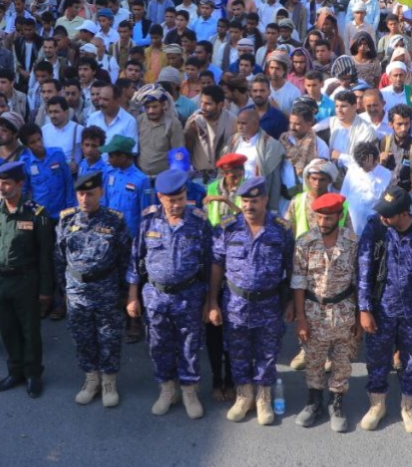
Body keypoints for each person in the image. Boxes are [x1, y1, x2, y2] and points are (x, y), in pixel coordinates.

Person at [357, 185, 412, 433]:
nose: (383, 217)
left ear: (404, 213)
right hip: (381, 309)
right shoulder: (376, 226)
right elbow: (364, 268)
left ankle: (409, 405)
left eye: (388, 214)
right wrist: (364, 309)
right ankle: (377, 404)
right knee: (377, 359)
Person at [207, 176, 295, 425]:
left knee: (268, 353)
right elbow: (216, 265)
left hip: (269, 304)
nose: (248, 206)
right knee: (238, 352)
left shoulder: (281, 229)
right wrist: (212, 302)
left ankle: (263, 398)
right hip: (235, 304)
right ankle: (244, 396)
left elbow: (292, 267)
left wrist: (290, 301)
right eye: (244, 201)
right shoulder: (227, 228)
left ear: (265, 200)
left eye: (254, 201)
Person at [129, 169, 212, 418]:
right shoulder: (148, 220)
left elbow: (210, 263)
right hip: (155, 296)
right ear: (160, 197)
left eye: (180, 198)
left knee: (189, 345)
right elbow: (136, 259)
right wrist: (132, 296)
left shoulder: (199, 221)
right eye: (171, 200)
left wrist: (210, 301)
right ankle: (167, 389)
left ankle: (189, 391)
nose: (176, 205)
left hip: (189, 295)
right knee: (158, 345)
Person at [56, 171, 131, 408]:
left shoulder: (115, 220)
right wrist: (65, 289)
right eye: (81, 194)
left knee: (109, 336)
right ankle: (91, 379)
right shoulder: (67, 220)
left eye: (90, 194)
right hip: (76, 290)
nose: (85, 199)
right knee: (82, 337)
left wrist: (123, 292)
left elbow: (125, 257)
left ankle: (109, 381)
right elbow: (59, 257)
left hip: (106, 288)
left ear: (101, 192)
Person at [0, 161, 55, 398]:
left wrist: (46, 290)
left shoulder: (36, 214)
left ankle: (33, 374)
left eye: (6, 183)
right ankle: (15, 371)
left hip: (25, 280)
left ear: (20, 184)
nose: (1, 188)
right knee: (7, 328)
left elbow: (45, 255)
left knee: (29, 330)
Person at [292, 193, 360, 432]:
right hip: (314, 311)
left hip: (344, 310)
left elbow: (359, 282)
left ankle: (336, 402)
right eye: (319, 217)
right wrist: (301, 319)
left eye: (328, 218)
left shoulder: (352, 242)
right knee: (314, 359)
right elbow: (298, 282)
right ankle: (313, 402)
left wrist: (360, 316)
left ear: (339, 216)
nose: (322, 222)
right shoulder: (305, 242)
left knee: (342, 360)